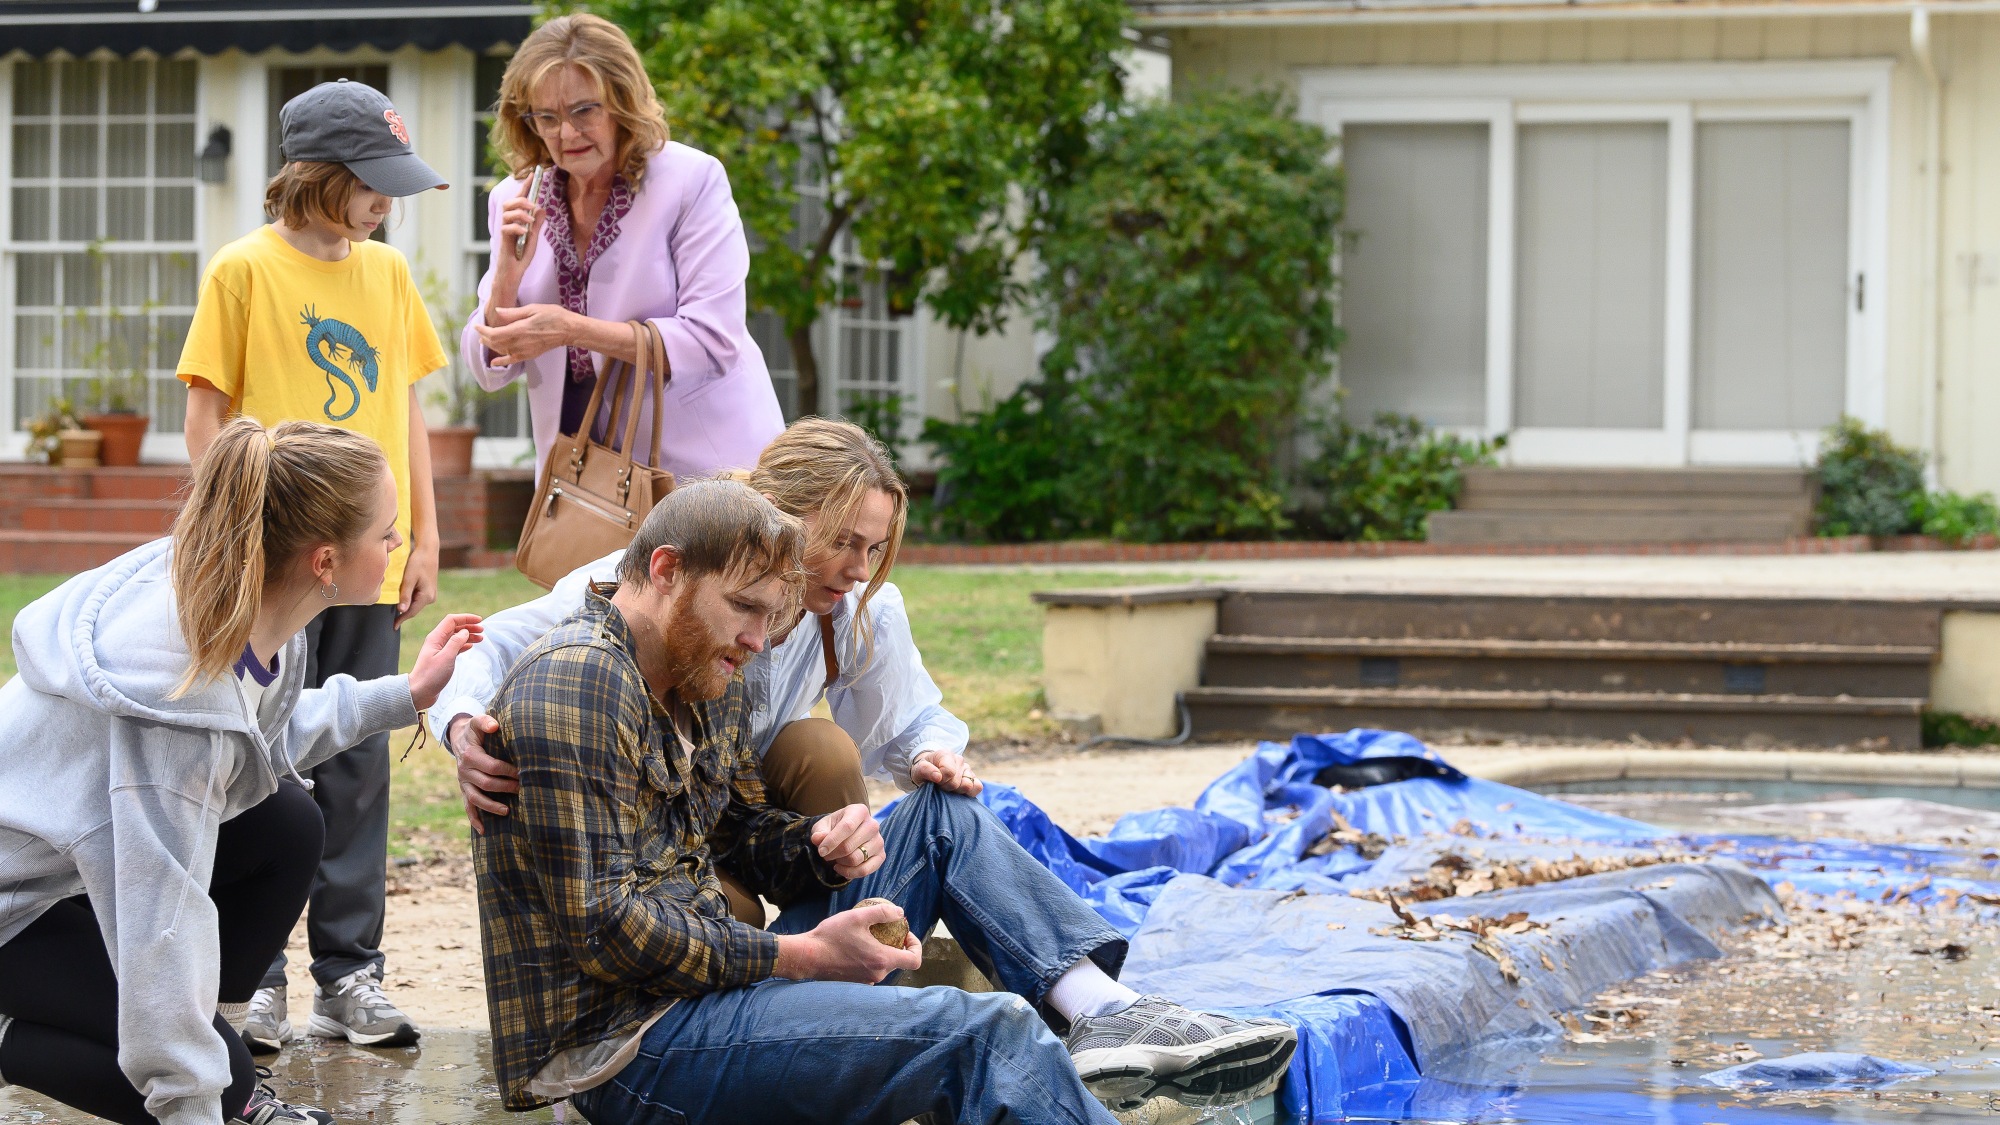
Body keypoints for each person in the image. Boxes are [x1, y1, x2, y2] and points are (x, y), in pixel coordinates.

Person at [474, 480, 1295, 1122]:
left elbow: (738, 831)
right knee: (986, 1033)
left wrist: (817, 846)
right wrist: (805, 956)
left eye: (771, 613)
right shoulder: (580, 679)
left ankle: (1106, 1012)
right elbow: (606, 931)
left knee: (939, 817)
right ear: (665, 571)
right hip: (627, 1052)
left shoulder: (698, 669)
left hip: (706, 990)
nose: (761, 639)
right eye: (747, 609)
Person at [0, 419, 481, 1125]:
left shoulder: (244, 597)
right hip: (14, 907)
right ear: (325, 560)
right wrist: (202, 1089)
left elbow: (257, 740)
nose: (397, 546)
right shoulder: (174, 705)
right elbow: (160, 917)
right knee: (202, 1077)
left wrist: (405, 694)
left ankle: (178, 1044)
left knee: (287, 823)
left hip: (65, 873)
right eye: (386, 533)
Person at [436, 419, 970, 926]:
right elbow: (493, 643)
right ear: (776, 509)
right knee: (734, 916)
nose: (859, 571)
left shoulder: (856, 610)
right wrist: (463, 725)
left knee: (821, 749)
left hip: (752, 812)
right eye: (842, 542)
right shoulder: (651, 581)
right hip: (666, 812)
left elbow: (904, 718)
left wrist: (929, 755)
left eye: (873, 549)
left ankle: (836, 930)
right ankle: (773, 962)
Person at [177, 78, 452, 1054]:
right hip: (273, 569)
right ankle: (252, 979)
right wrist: (224, 542)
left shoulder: (385, 276)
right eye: (372, 185)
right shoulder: (243, 271)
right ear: (317, 177)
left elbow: (408, 408)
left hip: (369, 565)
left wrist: (420, 536)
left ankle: (350, 976)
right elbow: (206, 417)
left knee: (358, 766)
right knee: (256, 762)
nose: (385, 205)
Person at [467, 12, 784, 479]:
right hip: (580, 479)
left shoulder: (690, 181)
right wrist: (507, 278)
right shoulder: (513, 198)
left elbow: (712, 341)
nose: (566, 134)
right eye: (547, 118)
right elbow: (489, 369)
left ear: (622, 102)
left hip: (708, 471)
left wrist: (572, 329)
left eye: (584, 111)